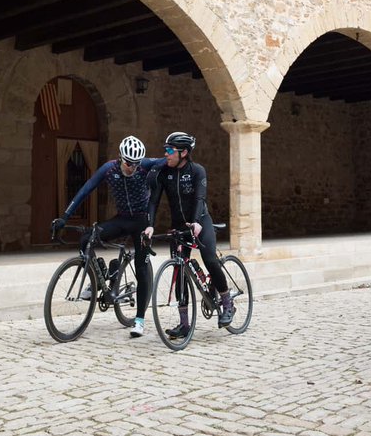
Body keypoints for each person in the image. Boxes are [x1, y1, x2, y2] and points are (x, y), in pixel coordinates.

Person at [51, 135, 155, 338]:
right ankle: (99, 275)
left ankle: (140, 320)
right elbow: (85, 190)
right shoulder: (109, 169)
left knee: (142, 269)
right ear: (120, 158)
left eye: (135, 164)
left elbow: (171, 163)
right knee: (85, 239)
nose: (131, 168)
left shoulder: (145, 166)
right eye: (128, 163)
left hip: (142, 221)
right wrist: (65, 216)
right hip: (122, 218)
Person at [141, 131, 234, 338]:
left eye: (169, 150)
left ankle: (227, 302)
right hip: (179, 227)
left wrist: (195, 222)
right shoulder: (164, 172)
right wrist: (150, 225)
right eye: (165, 150)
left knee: (210, 259)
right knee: (179, 273)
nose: (165, 154)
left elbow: (200, 198)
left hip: (201, 222)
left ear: (183, 153)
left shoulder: (197, 171)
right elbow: (154, 201)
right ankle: (184, 324)